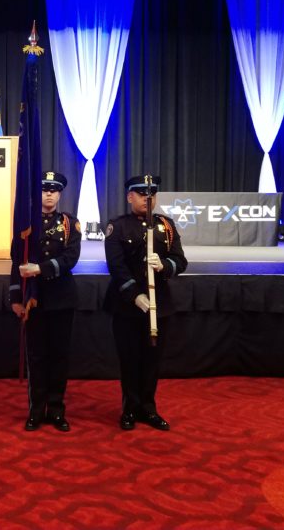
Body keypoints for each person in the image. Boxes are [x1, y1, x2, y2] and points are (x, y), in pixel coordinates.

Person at [104, 174, 187, 431]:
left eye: (151, 195)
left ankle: (148, 409)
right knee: (129, 359)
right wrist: (134, 295)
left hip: (158, 303)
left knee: (152, 360)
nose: (147, 199)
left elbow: (181, 261)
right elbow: (116, 267)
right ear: (130, 197)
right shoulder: (118, 226)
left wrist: (165, 265)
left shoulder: (167, 226)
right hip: (127, 305)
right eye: (142, 194)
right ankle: (129, 408)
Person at [10, 171, 82, 432]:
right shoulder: (25, 225)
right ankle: (36, 410)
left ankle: (56, 410)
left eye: (54, 190)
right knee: (37, 357)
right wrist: (16, 296)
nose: (49, 194)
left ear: (60, 194)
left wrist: (39, 269)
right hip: (34, 299)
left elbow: (70, 259)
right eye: (44, 189)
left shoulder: (69, 224)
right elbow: (16, 262)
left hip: (61, 297)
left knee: (59, 357)